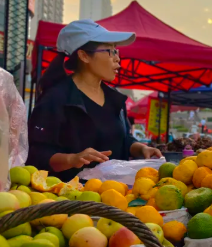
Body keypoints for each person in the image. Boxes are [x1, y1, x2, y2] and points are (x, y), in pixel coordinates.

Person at [27, 20, 161, 182]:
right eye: (110, 51)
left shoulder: (114, 99)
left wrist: (142, 149)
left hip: (115, 195)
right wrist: (72, 159)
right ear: (84, 55)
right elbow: (37, 154)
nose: (117, 58)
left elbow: (123, 139)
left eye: (116, 51)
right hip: (69, 198)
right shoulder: (55, 99)